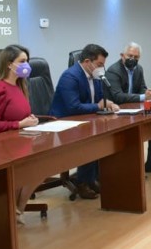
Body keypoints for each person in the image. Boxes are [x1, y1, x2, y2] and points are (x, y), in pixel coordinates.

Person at [50, 43, 119, 199]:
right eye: (99, 64)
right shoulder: (70, 77)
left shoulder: (95, 76)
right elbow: (73, 107)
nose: (101, 68)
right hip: (64, 123)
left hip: (85, 120)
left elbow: (100, 98)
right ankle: (83, 182)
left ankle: (92, 179)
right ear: (87, 62)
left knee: (104, 136)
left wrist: (108, 104)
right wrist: (98, 106)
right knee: (91, 141)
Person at [0, 44, 40, 222]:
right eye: (22, 61)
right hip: (3, 144)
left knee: (43, 165)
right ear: (9, 64)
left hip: (21, 139)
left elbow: (20, 114)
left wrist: (30, 119)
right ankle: (12, 211)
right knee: (32, 167)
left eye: (27, 61)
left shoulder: (20, 85)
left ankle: (18, 209)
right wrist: (20, 124)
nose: (26, 65)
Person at [105, 41, 151, 174]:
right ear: (122, 55)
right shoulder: (113, 71)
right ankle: (132, 170)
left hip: (133, 108)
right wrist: (143, 96)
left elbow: (142, 88)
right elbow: (117, 96)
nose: (132, 59)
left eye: (136, 57)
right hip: (116, 111)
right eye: (130, 56)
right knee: (134, 134)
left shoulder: (139, 69)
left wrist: (148, 93)